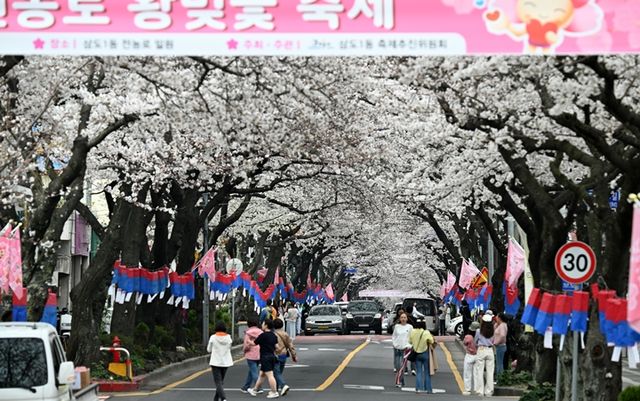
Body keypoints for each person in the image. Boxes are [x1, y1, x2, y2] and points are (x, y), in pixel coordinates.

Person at [248, 319, 280, 399]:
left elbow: (254, 343)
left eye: (263, 323)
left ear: (266, 325)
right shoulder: (273, 335)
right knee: (262, 374)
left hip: (265, 357)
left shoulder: (263, 335)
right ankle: (255, 390)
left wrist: (248, 340)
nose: (262, 325)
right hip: (272, 356)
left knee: (270, 375)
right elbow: (277, 347)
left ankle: (274, 392)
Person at [207, 322, 233, 401]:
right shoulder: (228, 337)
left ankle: (223, 398)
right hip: (226, 362)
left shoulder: (213, 337)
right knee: (220, 382)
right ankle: (216, 398)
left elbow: (209, 350)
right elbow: (229, 348)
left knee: (218, 382)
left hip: (215, 362)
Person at [409, 321, 434, 394]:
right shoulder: (426, 332)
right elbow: (431, 341)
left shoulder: (413, 332)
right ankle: (428, 389)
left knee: (419, 372)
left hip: (416, 353)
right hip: (425, 352)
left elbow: (410, 341)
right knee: (427, 372)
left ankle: (418, 388)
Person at [274, 318, 297, 396]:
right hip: (283, 354)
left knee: (276, 373)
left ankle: (282, 386)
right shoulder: (285, 334)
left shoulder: (273, 334)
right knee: (278, 373)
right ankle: (276, 389)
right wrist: (294, 355)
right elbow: (290, 345)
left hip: (275, 355)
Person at [474, 314, 495, 397]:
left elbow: (475, 341)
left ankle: (480, 391)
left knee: (479, 371)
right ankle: (489, 391)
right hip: (490, 350)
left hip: (481, 349)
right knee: (490, 372)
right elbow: (493, 341)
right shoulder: (493, 331)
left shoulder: (479, 331)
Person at [241, 319, 263, 394]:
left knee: (254, 372)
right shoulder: (261, 332)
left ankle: (259, 388)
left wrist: (244, 351)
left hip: (251, 354)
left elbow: (246, 345)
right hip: (259, 353)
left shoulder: (248, 333)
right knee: (252, 370)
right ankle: (246, 387)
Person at [392, 312, 413, 386]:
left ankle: (398, 382)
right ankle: (402, 379)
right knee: (397, 366)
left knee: (402, 365)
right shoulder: (397, 326)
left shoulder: (410, 327)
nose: (403, 319)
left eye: (404, 317)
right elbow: (394, 336)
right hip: (397, 348)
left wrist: (409, 346)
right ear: (399, 319)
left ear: (407, 319)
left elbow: (412, 337)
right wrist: (394, 344)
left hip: (405, 349)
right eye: (402, 317)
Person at [462, 321, 480, 395]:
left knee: (467, 373)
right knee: (477, 373)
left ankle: (467, 389)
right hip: (478, 355)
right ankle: (477, 389)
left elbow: (464, 343)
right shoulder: (480, 336)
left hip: (469, 355)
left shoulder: (468, 337)